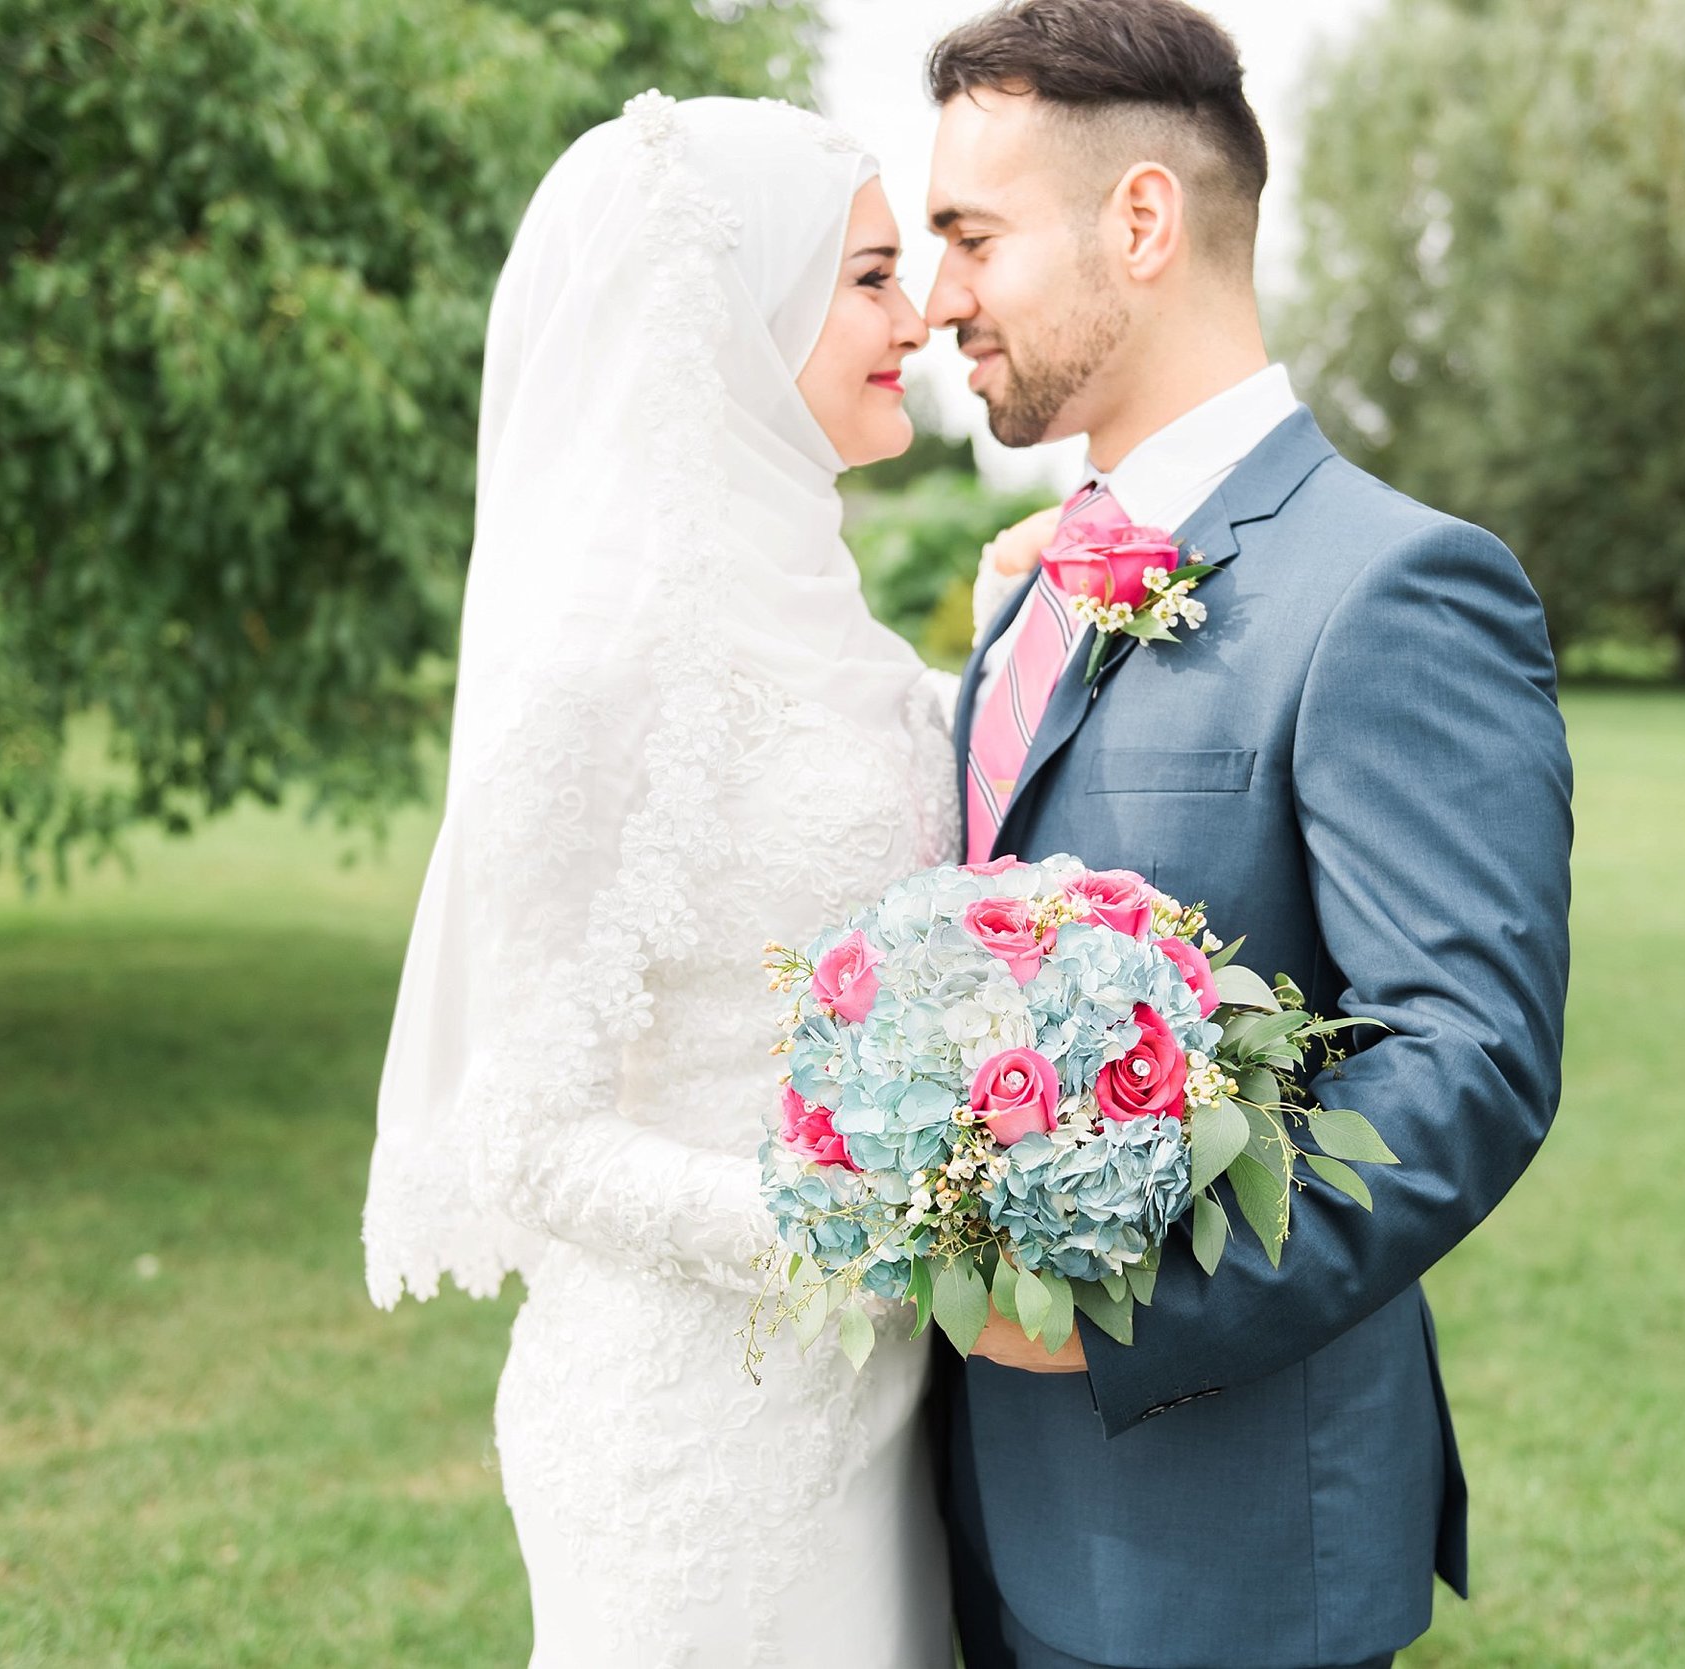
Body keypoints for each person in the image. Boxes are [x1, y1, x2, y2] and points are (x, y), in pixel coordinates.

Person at [920, 3, 1577, 1666]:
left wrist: (1114, 1317)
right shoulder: (1045, 579)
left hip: (1214, 1563)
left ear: (1141, 221)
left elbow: (1465, 1057)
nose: (939, 302)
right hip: (970, 1519)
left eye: (973, 238)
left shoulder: (1393, 586)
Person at [360, 92, 962, 1667]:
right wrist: (832, 1225)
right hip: (689, 1424)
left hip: (889, 1405)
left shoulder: (846, 633)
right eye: (875, 277)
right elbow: (530, 1134)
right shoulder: (587, 682)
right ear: (745, 311)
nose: (924, 315)